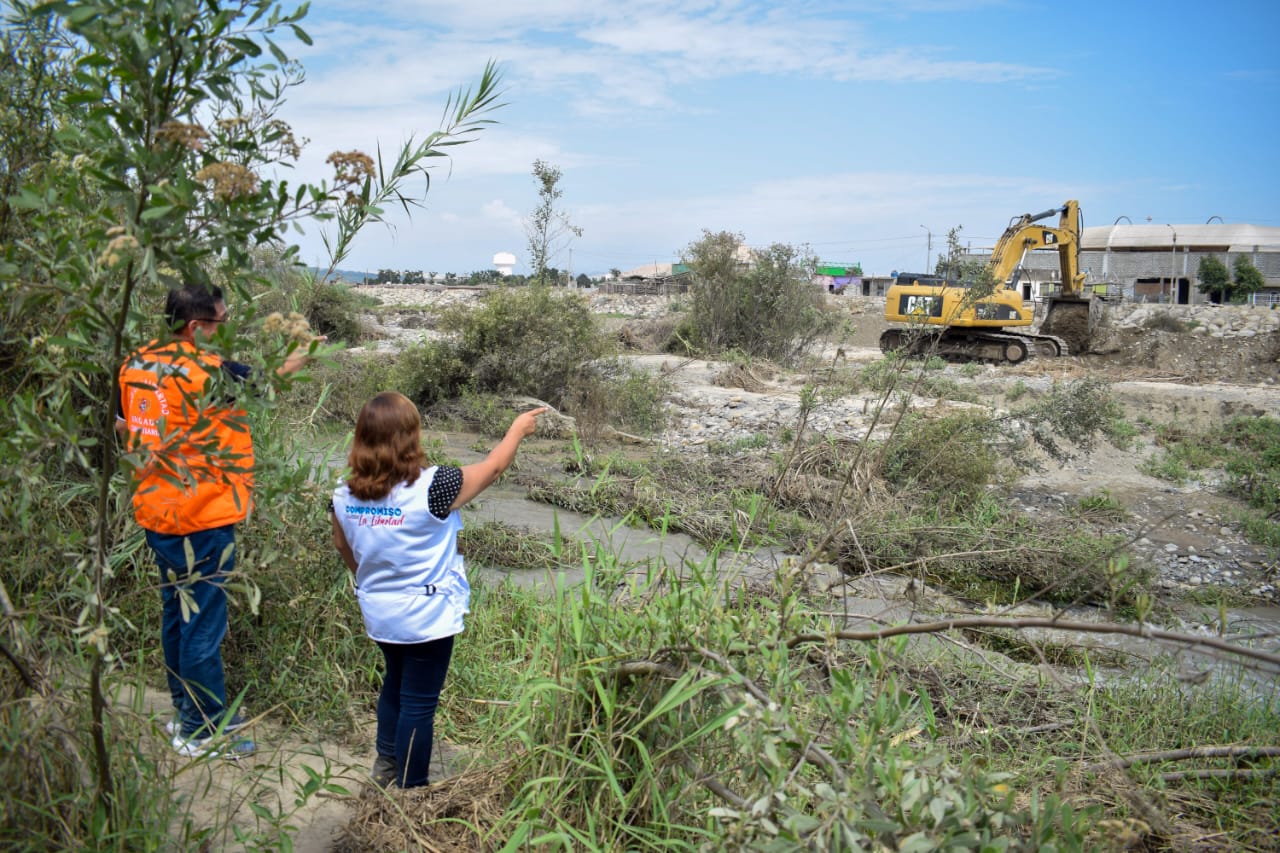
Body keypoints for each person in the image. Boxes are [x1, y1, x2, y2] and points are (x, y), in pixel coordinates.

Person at [117, 283, 316, 759]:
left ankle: (187, 713)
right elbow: (269, 383)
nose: (226, 331)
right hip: (200, 517)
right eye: (222, 323)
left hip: (157, 512)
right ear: (196, 327)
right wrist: (305, 352)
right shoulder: (207, 374)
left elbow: (126, 426)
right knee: (202, 627)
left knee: (176, 616)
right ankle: (201, 732)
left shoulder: (137, 363)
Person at [330, 391, 546, 788]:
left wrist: (370, 581)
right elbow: (493, 468)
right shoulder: (436, 485)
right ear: (410, 437)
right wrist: (517, 429)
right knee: (418, 702)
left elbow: (342, 546)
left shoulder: (344, 494)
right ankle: (412, 789)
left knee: (394, 682)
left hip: (378, 609)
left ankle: (386, 764)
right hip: (426, 614)